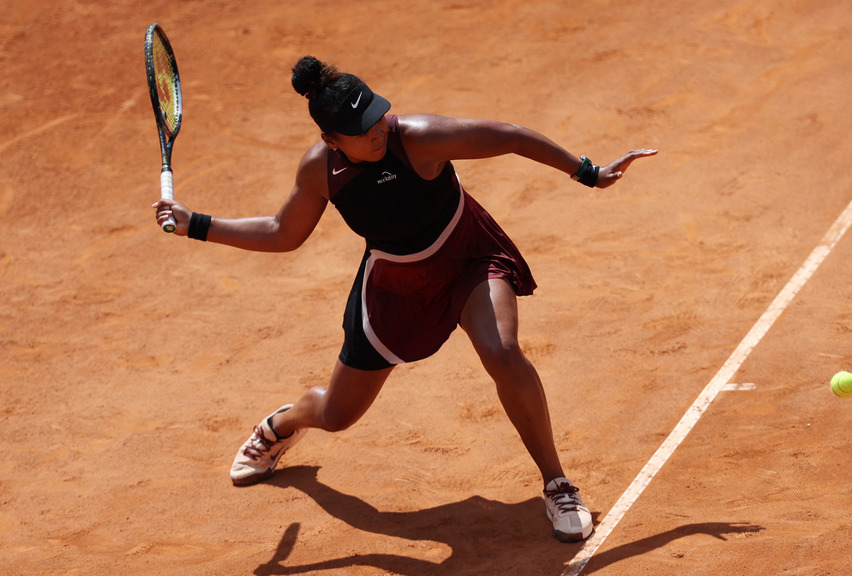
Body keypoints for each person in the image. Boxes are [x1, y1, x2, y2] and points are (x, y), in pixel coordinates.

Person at [153, 56, 657, 543]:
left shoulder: (419, 137)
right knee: (337, 416)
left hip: (465, 254)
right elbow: (284, 232)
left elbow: (508, 136)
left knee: (502, 351)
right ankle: (283, 423)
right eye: (363, 130)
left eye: (378, 117)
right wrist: (195, 224)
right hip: (396, 286)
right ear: (330, 140)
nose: (378, 130)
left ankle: (558, 485)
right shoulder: (320, 172)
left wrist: (586, 171)